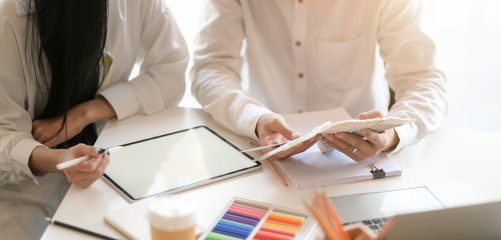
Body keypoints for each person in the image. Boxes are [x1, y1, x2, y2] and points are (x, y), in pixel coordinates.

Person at [0, 0, 188, 238]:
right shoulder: (9, 15)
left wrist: (86, 113)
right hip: (23, 190)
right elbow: (3, 133)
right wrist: (58, 159)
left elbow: (172, 71)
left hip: (104, 176)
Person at [190, 0, 447, 161]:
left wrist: (392, 136)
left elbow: (424, 80)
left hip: (365, 162)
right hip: (267, 154)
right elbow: (211, 68)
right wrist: (254, 118)